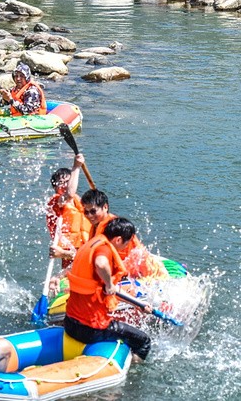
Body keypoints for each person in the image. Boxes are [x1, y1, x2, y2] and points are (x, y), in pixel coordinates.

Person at [64, 218, 154, 360]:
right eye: (126, 243)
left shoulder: (92, 244)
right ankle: (133, 371)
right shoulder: (104, 249)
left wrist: (139, 304)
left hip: (69, 323)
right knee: (143, 341)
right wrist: (109, 283)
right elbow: (101, 264)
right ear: (118, 240)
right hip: (90, 330)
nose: (125, 248)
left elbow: (108, 288)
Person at [47, 153, 91, 266]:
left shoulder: (79, 202)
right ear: (55, 187)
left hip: (86, 249)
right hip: (70, 255)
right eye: (61, 183)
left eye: (68, 182)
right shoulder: (57, 201)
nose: (65, 186)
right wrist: (76, 167)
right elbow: (69, 194)